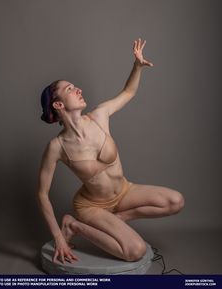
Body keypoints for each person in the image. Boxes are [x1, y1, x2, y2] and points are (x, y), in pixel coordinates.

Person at [37, 38, 185, 265]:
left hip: (124, 192)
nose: (78, 89)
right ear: (58, 105)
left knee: (176, 201)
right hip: (92, 205)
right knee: (135, 251)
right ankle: (73, 225)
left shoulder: (100, 115)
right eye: (70, 89)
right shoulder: (57, 147)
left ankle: (120, 218)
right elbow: (42, 194)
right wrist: (58, 237)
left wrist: (137, 66)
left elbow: (128, 92)